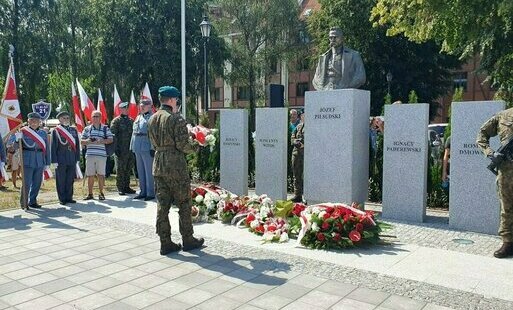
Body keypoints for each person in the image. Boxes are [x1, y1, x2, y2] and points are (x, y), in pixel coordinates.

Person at [148, 85, 204, 255]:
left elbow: (153, 143)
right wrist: (199, 144)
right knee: (184, 203)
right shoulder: (175, 119)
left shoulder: (152, 118)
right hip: (175, 166)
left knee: (162, 205)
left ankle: (165, 242)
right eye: (176, 100)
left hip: (158, 164)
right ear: (172, 100)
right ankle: (188, 239)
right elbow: (184, 145)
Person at [477, 107, 513, 258]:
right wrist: (491, 153)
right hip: (507, 170)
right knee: (507, 207)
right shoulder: (503, 115)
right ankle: (508, 242)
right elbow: (482, 133)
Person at [9, 113, 51, 209]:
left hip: (40, 160)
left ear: (40, 122)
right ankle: (24, 203)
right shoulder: (22, 131)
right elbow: (13, 148)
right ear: (28, 121)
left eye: (36, 121)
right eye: (32, 120)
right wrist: (16, 139)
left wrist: (47, 162)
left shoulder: (43, 133)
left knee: (37, 183)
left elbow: (47, 148)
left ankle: (32, 201)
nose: (34, 122)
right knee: (26, 183)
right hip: (27, 160)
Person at [81, 110, 114, 201]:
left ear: (100, 118)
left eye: (97, 116)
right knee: (90, 175)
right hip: (90, 155)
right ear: (91, 118)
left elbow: (111, 139)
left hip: (101, 155)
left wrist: (101, 141)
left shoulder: (105, 128)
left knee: (101, 175)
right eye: (94, 116)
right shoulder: (87, 129)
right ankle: (90, 194)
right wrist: (88, 141)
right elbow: (82, 141)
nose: (95, 118)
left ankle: (101, 193)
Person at [51, 111, 81, 205]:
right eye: (64, 118)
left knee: (70, 179)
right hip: (61, 158)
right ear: (59, 119)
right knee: (61, 179)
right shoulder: (56, 130)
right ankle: (62, 198)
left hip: (71, 157)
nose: (66, 120)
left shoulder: (73, 130)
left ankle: (69, 197)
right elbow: (53, 146)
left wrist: (77, 158)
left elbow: (77, 145)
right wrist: (54, 160)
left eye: (68, 118)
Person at [130, 98, 155, 201]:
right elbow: (134, 132)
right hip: (137, 146)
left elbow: (153, 134)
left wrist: (152, 147)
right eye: (141, 105)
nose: (142, 107)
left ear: (150, 106)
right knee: (140, 170)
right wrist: (132, 146)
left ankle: (150, 193)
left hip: (146, 146)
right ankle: (142, 191)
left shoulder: (152, 118)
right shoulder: (138, 117)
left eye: (144, 105)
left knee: (149, 171)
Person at [110, 102, 135, 195]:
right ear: (120, 109)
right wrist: (115, 149)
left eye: (127, 108)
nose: (126, 110)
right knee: (120, 169)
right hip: (120, 149)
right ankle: (120, 187)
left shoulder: (132, 121)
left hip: (130, 149)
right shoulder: (116, 121)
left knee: (128, 168)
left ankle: (127, 186)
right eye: (124, 108)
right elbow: (113, 136)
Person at [291, 111, 305, 203]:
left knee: (306, 176)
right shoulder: (299, 126)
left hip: (306, 155)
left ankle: (306, 195)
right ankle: (297, 195)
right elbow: (292, 137)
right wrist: (295, 141)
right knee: (297, 175)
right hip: (296, 154)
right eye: (302, 116)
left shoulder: (313, 126)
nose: (302, 117)